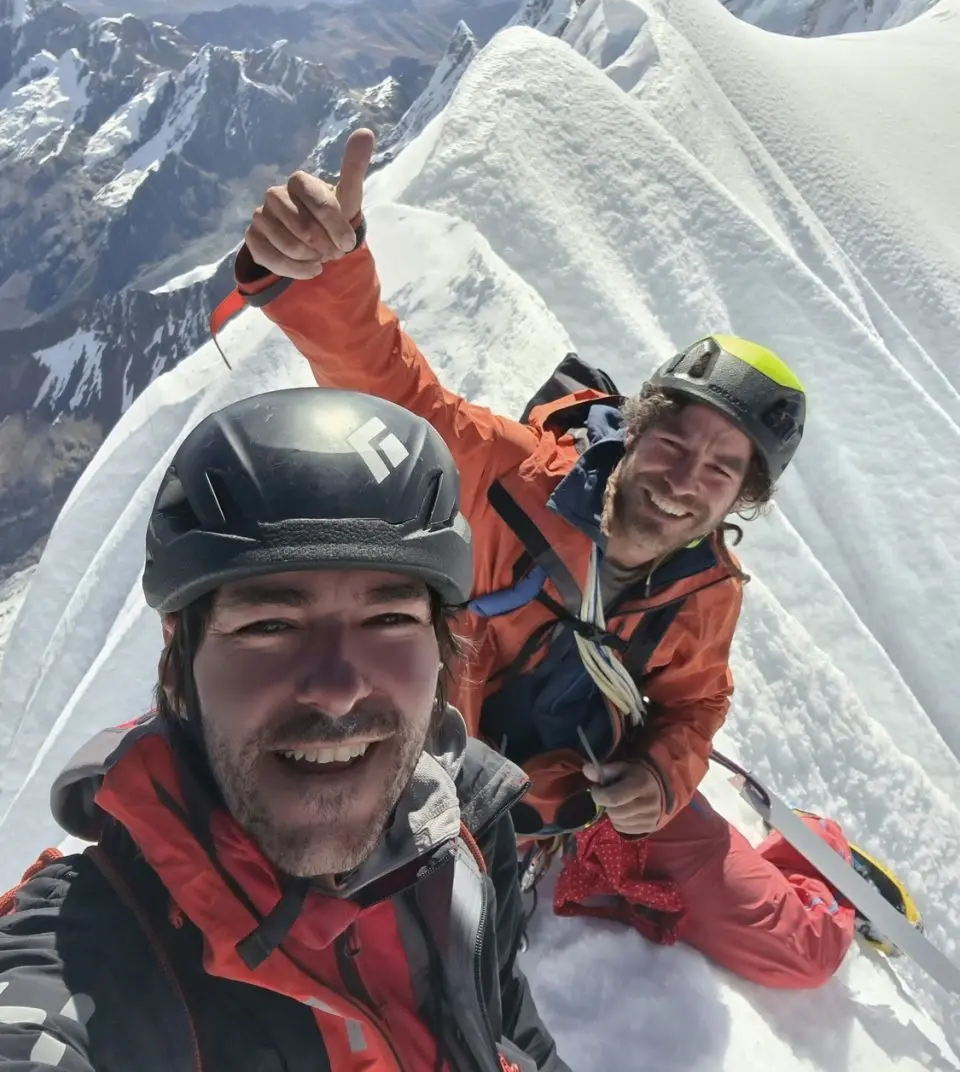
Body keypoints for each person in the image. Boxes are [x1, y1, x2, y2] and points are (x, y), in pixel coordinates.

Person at [214, 128, 901, 990]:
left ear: (739, 502)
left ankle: (823, 854)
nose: (684, 479)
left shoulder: (706, 589)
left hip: (589, 798)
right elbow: (393, 391)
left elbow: (697, 701)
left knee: (795, 955)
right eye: (674, 439)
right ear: (637, 427)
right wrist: (324, 275)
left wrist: (661, 773)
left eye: (721, 469)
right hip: (443, 792)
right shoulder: (504, 479)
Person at [0, 387, 568, 1072]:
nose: (336, 689)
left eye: (389, 620)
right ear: (180, 661)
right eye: (269, 625)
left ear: (442, 649)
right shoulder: (94, 946)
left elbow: (509, 1034)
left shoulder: (466, 826)